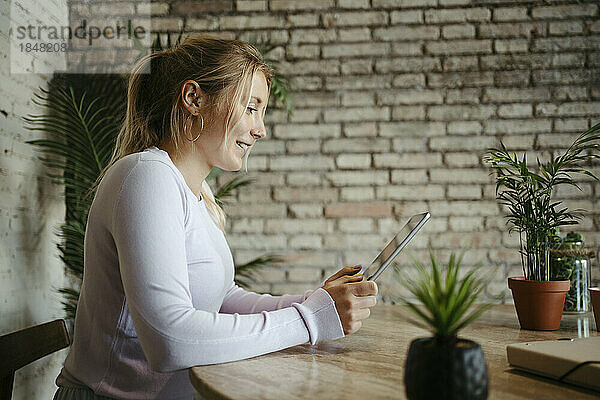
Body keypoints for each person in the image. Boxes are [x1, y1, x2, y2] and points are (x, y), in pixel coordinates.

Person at [53, 34, 377, 400]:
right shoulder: (146, 175)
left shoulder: (196, 194)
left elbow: (222, 298)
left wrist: (313, 302)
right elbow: (170, 341)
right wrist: (311, 320)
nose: (261, 129)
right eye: (251, 107)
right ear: (194, 99)